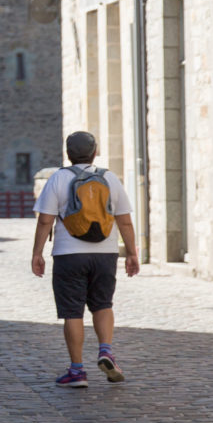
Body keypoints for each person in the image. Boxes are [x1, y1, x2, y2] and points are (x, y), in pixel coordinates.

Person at [30, 131, 139, 388]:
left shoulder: (58, 178)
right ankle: (105, 350)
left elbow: (45, 219)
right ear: (95, 152)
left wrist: (37, 253)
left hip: (69, 254)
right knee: (103, 304)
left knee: (72, 312)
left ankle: (77, 371)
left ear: (68, 153)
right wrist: (132, 253)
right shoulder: (110, 178)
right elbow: (124, 220)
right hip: (105, 254)